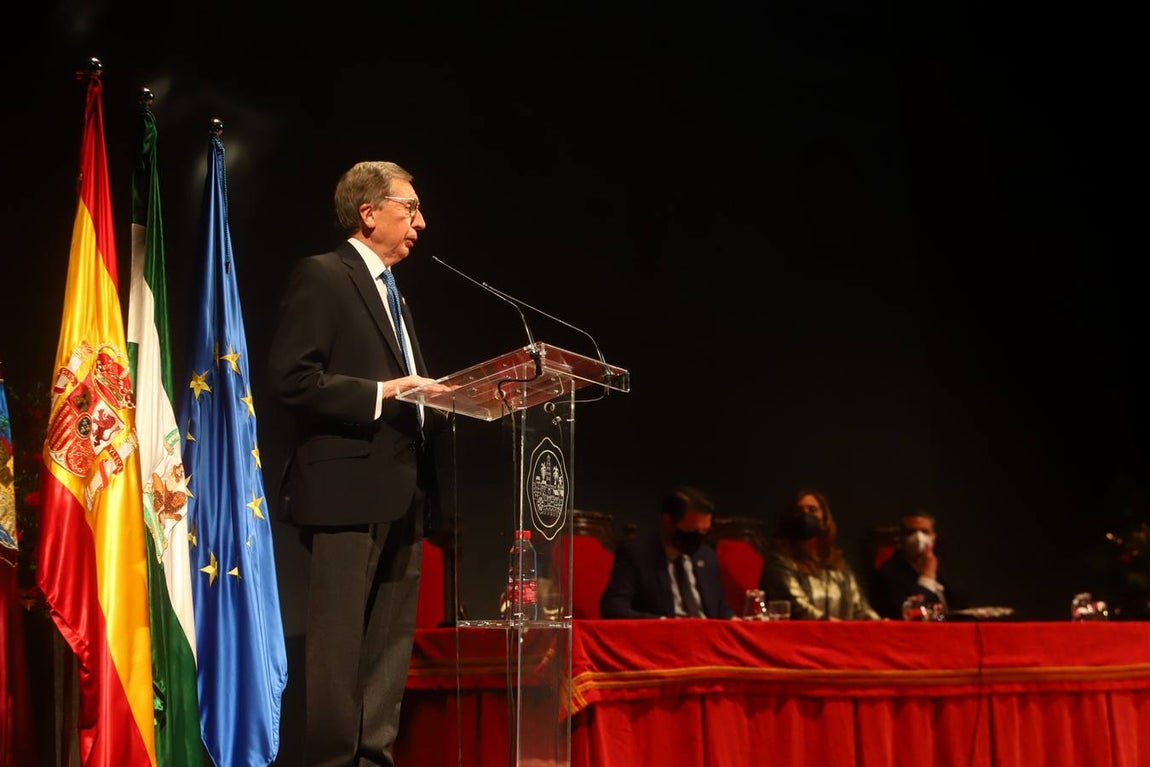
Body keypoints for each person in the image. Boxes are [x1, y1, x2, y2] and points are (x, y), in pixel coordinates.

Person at [268, 160, 454, 767]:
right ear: (369, 212)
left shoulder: (393, 291)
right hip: (344, 489)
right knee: (338, 648)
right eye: (410, 208)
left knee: (388, 648)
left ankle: (375, 760)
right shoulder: (323, 276)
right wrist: (385, 392)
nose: (421, 223)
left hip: (404, 490)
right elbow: (292, 378)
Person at [599, 485, 735, 619]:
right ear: (668, 521)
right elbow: (613, 608)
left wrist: (733, 619)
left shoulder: (706, 555)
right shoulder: (637, 555)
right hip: (664, 636)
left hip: (707, 635)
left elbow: (718, 606)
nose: (698, 539)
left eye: (704, 532)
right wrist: (662, 624)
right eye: (692, 531)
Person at [758, 488, 880, 620]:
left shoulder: (838, 563)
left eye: (812, 510)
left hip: (842, 637)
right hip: (801, 637)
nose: (806, 516)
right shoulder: (779, 561)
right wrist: (828, 623)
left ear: (824, 518)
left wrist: (880, 624)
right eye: (799, 511)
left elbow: (860, 607)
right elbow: (796, 606)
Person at [869, 509, 958, 620]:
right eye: (911, 532)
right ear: (901, 537)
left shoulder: (943, 566)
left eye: (925, 532)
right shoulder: (888, 574)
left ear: (934, 537)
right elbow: (910, 614)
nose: (918, 537)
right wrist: (927, 576)